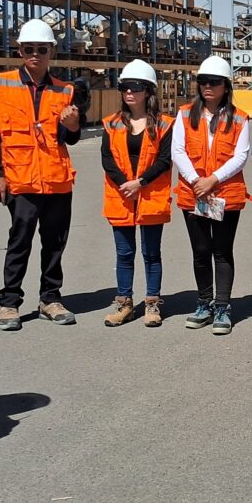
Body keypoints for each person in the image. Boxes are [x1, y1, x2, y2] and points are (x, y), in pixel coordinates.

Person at [0, 18, 82, 330]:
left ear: (52, 51)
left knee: (55, 242)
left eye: (42, 49)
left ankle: (50, 298)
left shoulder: (65, 90)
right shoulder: (0, 84)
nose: (35, 54)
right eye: (29, 49)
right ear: (20, 50)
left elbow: (70, 139)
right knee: (20, 240)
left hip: (56, 179)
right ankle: (9, 302)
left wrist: (73, 126)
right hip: (20, 178)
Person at [173, 56, 251, 335]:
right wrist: (197, 181)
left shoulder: (239, 117)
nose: (208, 86)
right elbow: (178, 151)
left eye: (215, 82)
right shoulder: (184, 114)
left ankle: (223, 306)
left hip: (224, 193)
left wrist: (213, 180)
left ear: (226, 86)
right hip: (194, 192)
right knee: (200, 251)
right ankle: (203, 303)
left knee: (221, 251)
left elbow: (241, 155)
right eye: (203, 81)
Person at [101, 59, 173, 327]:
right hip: (121, 196)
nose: (129, 92)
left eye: (135, 87)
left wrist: (140, 182)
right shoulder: (111, 123)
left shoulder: (165, 124)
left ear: (148, 91)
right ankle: (124, 303)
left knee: (151, 253)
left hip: (150, 195)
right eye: (124, 87)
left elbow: (165, 160)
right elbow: (107, 159)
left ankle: (152, 304)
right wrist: (125, 184)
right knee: (124, 253)